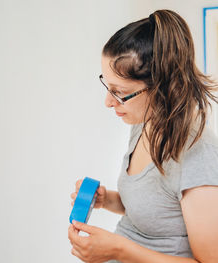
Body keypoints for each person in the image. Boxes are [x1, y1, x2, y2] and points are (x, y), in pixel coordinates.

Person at [68, 9, 218, 263]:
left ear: (160, 88)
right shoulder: (144, 122)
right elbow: (159, 213)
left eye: (119, 91)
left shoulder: (198, 153)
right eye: (108, 86)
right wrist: (108, 200)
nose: (108, 101)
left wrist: (118, 249)